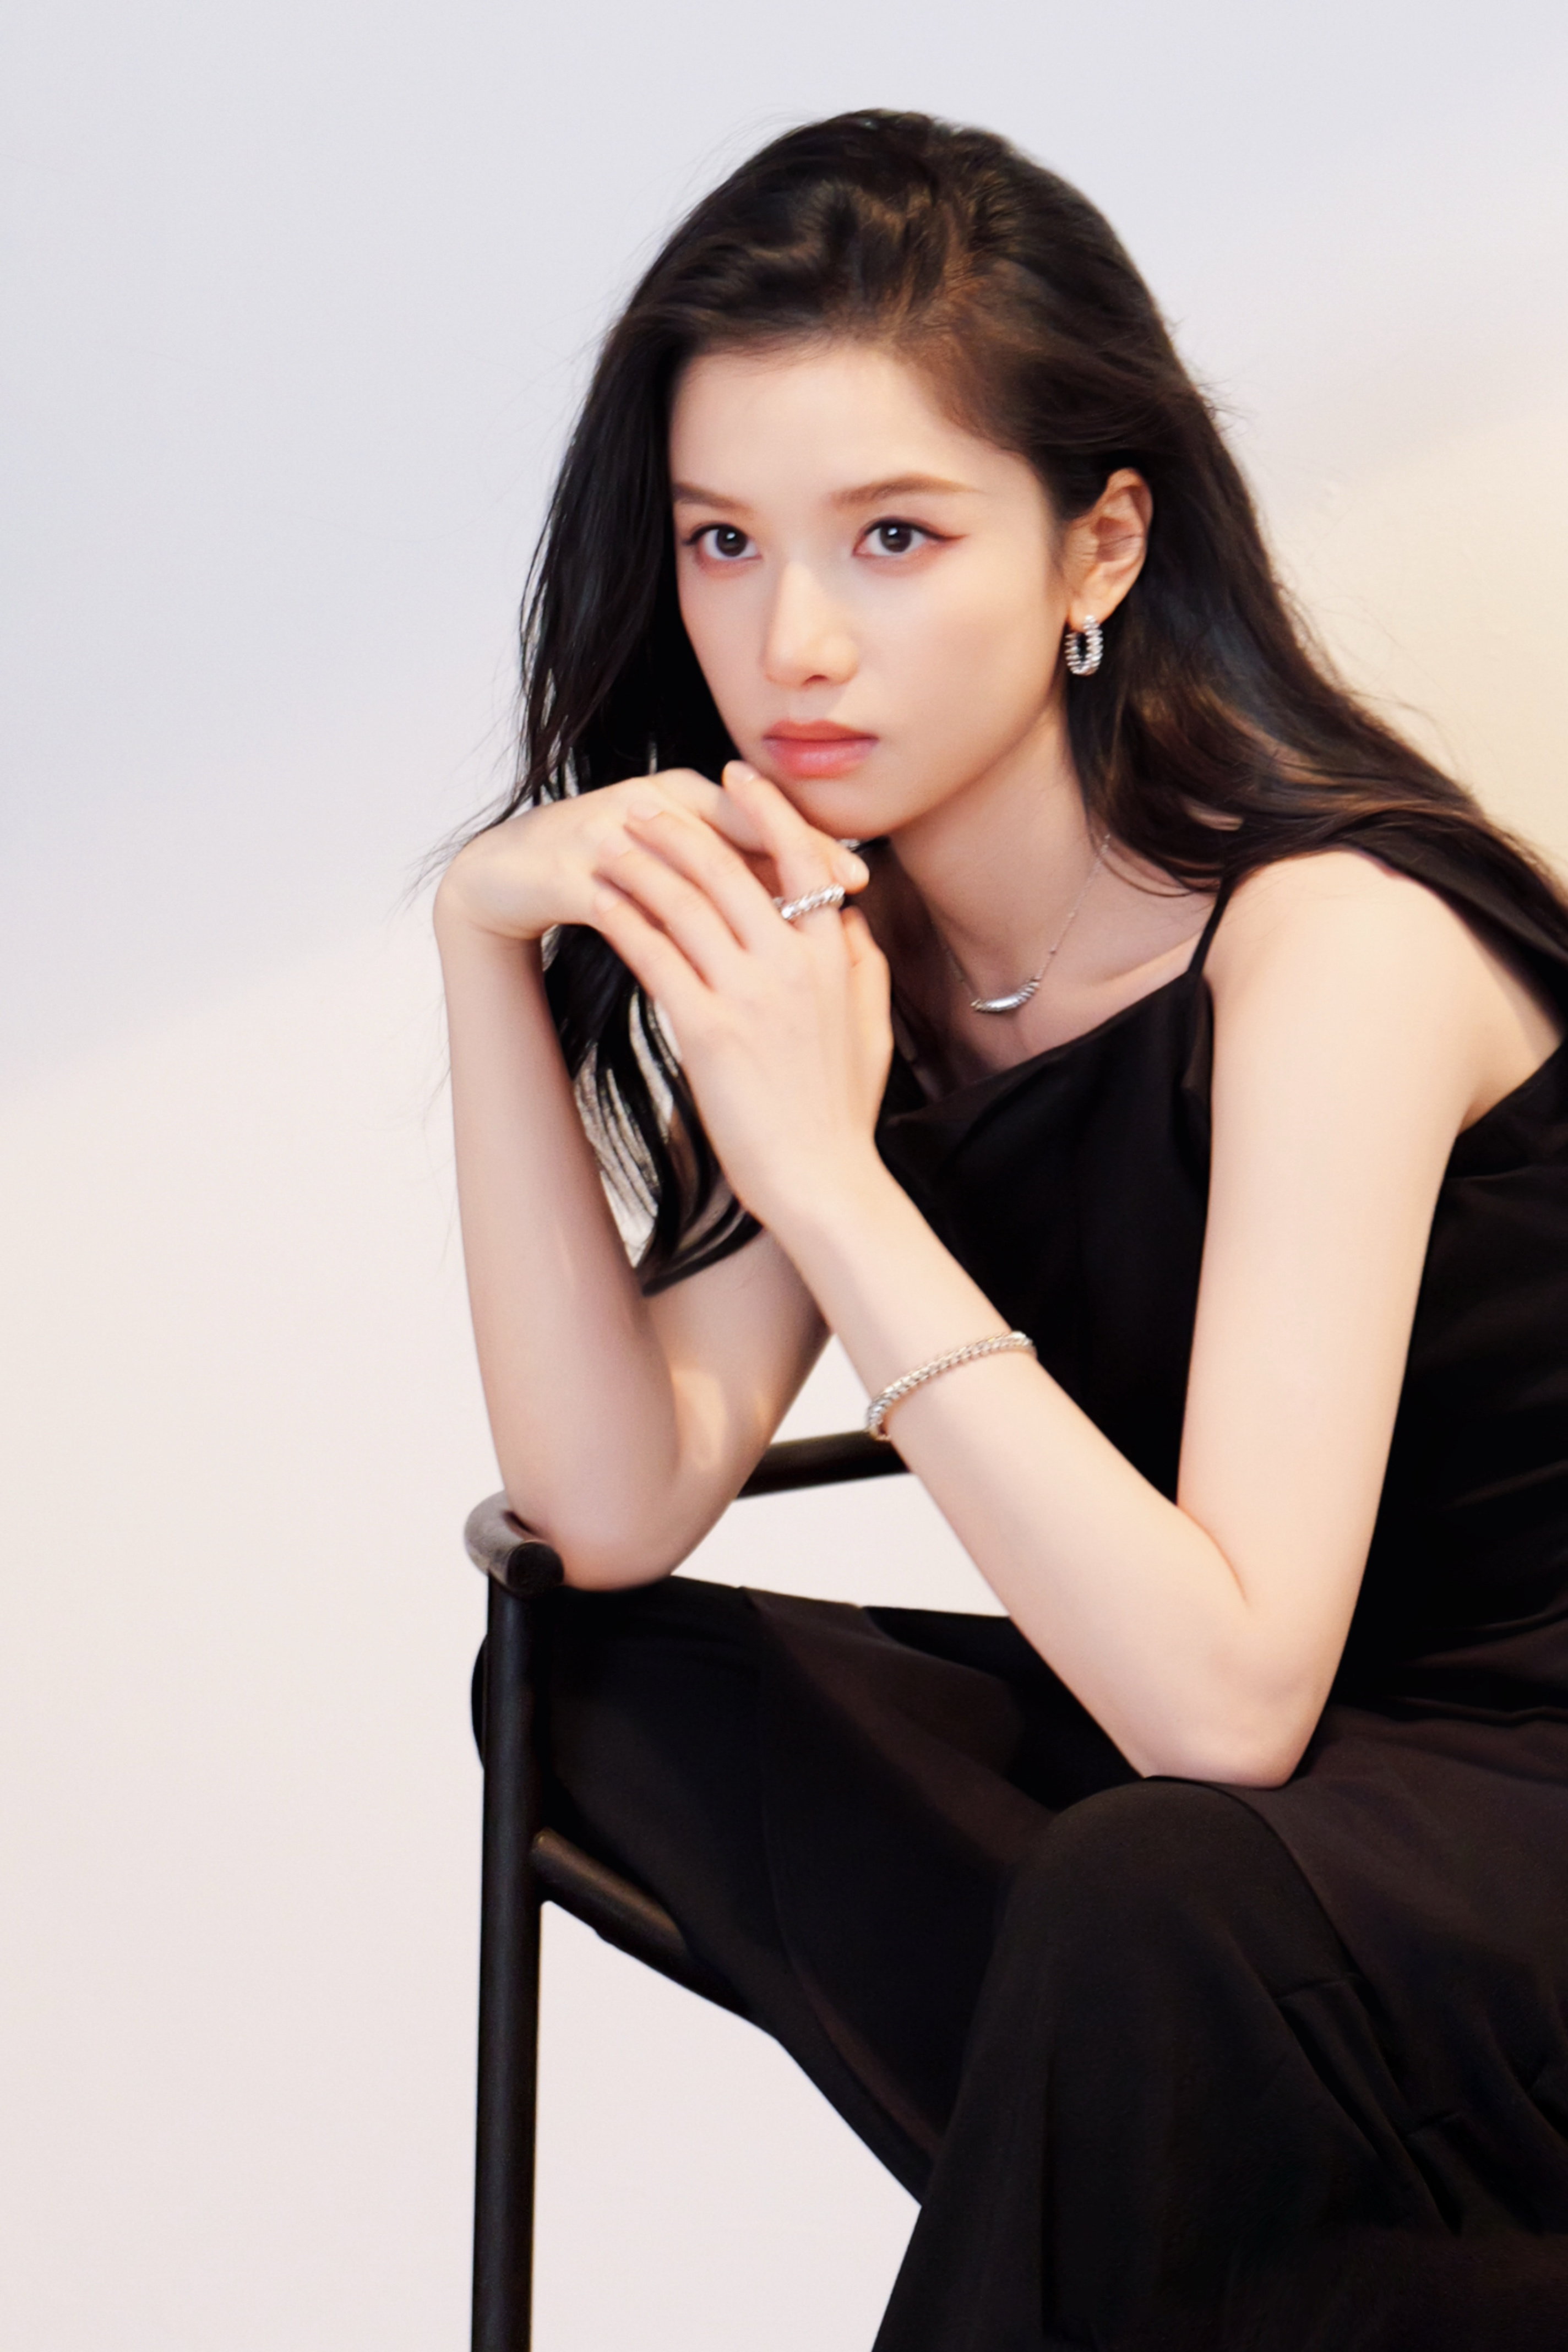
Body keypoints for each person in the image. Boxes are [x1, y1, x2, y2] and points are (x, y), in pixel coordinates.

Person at [434, 111, 1568, 2349]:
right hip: (1240, 1839)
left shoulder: (1329, 941)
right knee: (592, 1678)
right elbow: (611, 1502)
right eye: (724, 542)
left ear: (1097, 546)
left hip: (1495, 1801)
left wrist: (826, 1173)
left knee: (1152, 1891)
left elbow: (1228, 1705)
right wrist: (480, 951)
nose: (793, 641)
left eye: (893, 536)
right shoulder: (854, 965)